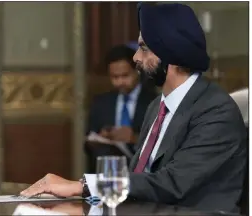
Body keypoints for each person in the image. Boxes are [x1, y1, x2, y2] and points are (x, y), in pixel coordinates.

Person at [20, 3, 247, 213]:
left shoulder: (216, 111)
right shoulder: (156, 108)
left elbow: (174, 184)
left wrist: (81, 186)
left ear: (170, 54)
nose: (136, 57)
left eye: (144, 48)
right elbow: (137, 182)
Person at [85, 44, 157, 172]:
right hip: (109, 168)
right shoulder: (101, 103)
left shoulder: (154, 101)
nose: (120, 82)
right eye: (115, 77)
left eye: (125, 76)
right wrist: (102, 137)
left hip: (143, 170)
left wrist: (134, 138)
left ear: (137, 71)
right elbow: (88, 141)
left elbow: (163, 141)